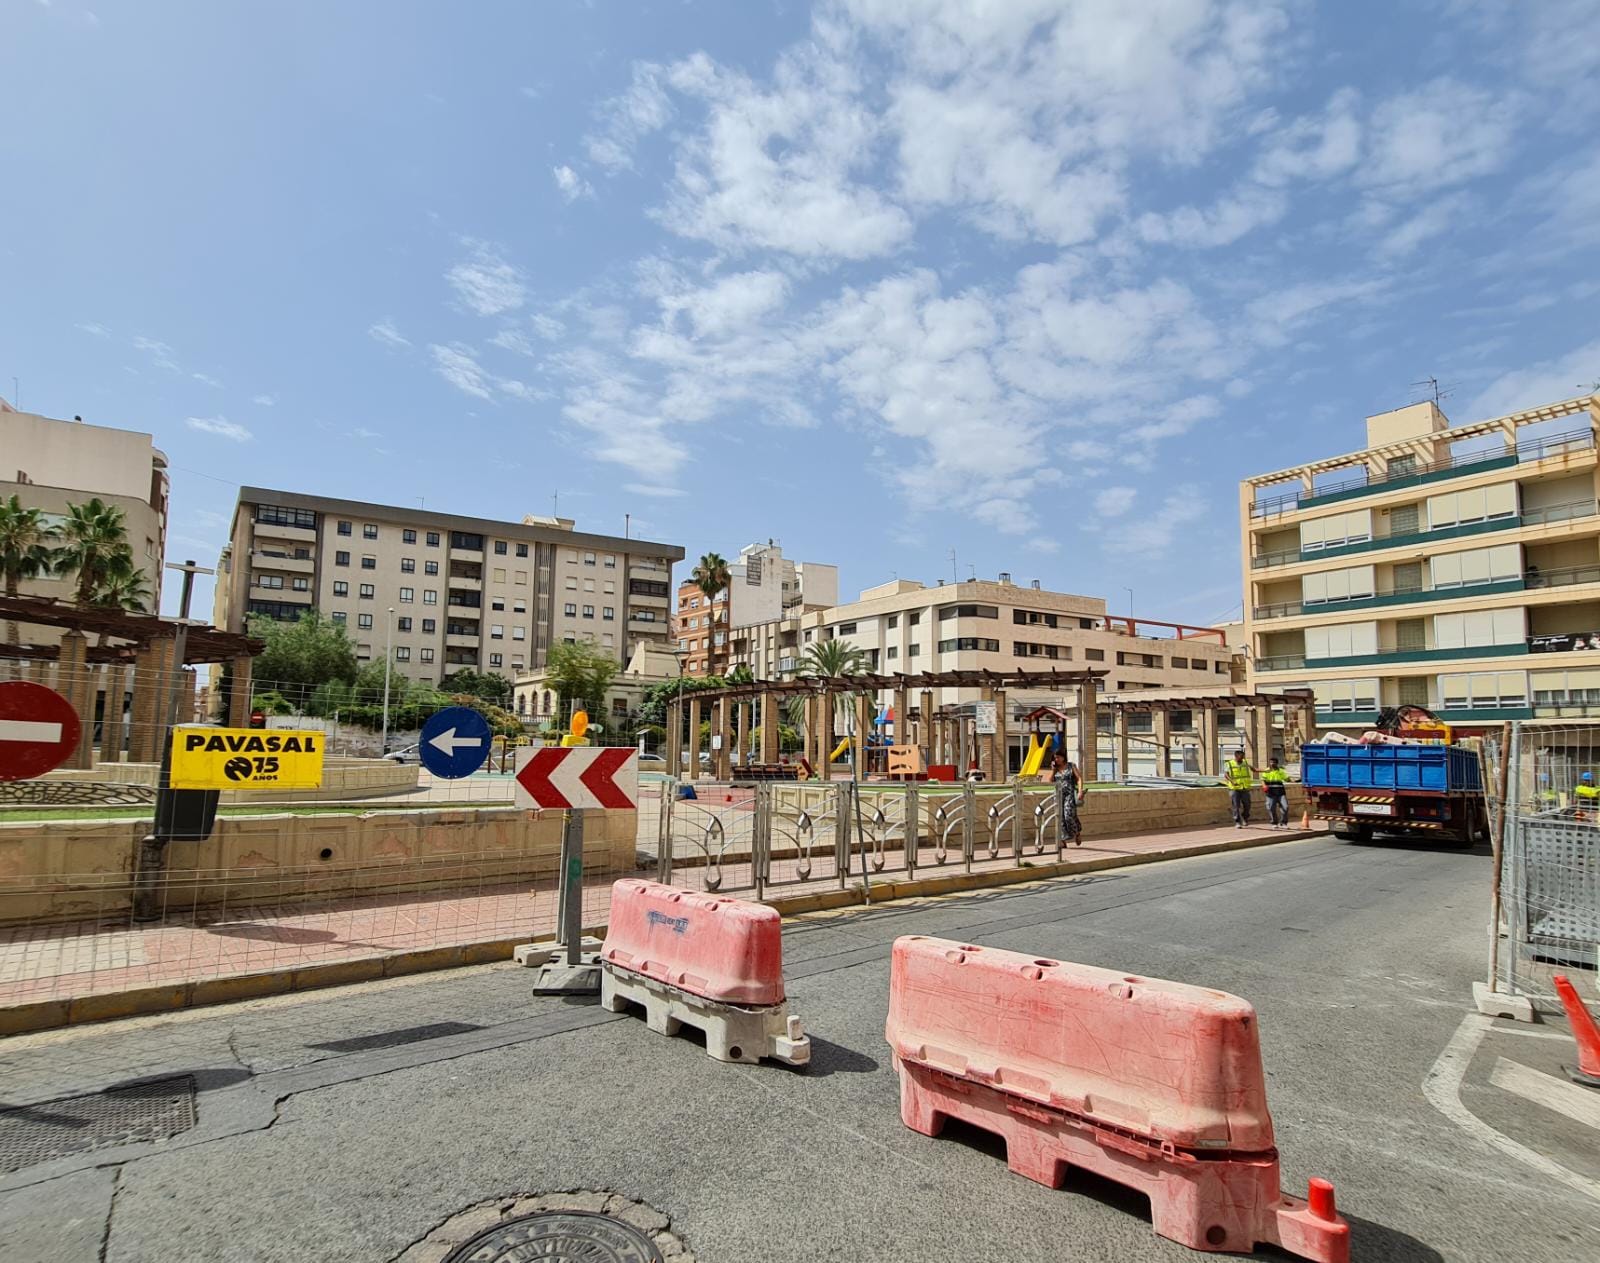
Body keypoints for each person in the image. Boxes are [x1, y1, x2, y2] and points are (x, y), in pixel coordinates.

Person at [1051, 752, 1086, 845]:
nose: (1056, 759)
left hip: (1069, 794)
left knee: (1068, 815)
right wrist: (1053, 770)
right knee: (1060, 817)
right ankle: (1063, 840)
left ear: (1063, 757)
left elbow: (1079, 778)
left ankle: (1077, 832)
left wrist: (1080, 791)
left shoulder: (1071, 766)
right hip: (1058, 794)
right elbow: (1050, 780)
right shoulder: (1055, 768)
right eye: (1055, 758)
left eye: (1058, 757)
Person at [1223, 749, 1255, 827]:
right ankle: (1237, 821)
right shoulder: (1229, 763)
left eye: (1243, 757)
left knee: (1247, 805)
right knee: (1236, 806)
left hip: (1245, 787)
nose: (1242, 758)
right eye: (1241, 757)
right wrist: (1232, 781)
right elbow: (1226, 775)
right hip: (1234, 788)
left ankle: (1245, 817)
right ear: (1236, 756)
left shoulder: (1245, 762)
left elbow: (1254, 769)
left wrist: (1265, 770)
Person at [1261, 757, 1290, 827]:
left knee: (1285, 807)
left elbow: (1286, 779)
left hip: (1280, 792)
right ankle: (1274, 822)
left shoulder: (1281, 771)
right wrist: (1264, 786)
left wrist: (1293, 780)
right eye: (1271, 762)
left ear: (1277, 763)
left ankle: (1283, 822)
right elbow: (1263, 780)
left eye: (1273, 762)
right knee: (1271, 808)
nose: (1272, 764)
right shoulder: (1267, 771)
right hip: (1271, 793)